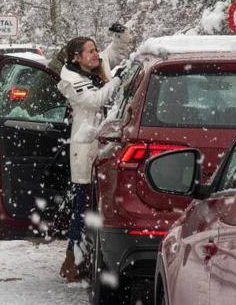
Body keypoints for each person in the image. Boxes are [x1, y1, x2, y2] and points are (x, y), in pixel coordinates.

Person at [56, 25, 133, 283]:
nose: (95, 54)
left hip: (99, 147)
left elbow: (117, 51)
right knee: (82, 208)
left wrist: (120, 34)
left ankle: (86, 259)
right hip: (84, 150)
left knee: (92, 207)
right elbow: (95, 101)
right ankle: (73, 261)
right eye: (89, 51)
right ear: (76, 57)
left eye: (95, 49)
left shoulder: (95, 68)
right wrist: (119, 80)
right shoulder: (71, 81)